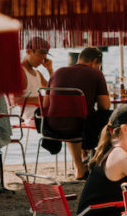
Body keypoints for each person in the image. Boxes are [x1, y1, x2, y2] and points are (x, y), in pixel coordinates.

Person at [46, 47, 111, 180]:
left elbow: (46, 104)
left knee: (75, 115)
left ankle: (80, 166)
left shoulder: (58, 72)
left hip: (52, 127)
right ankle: (99, 163)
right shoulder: (96, 73)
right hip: (82, 127)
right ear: (94, 62)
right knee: (106, 117)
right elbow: (105, 106)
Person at [15, 37, 53, 118]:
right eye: (40, 56)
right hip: (33, 117)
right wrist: (42, 100)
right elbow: (15, 101)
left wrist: (50, 69)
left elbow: (54, 90)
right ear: (28, 51)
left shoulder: (37, 73)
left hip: (43, 115)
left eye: (44, 58)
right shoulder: (19, 72)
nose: (42, 61)